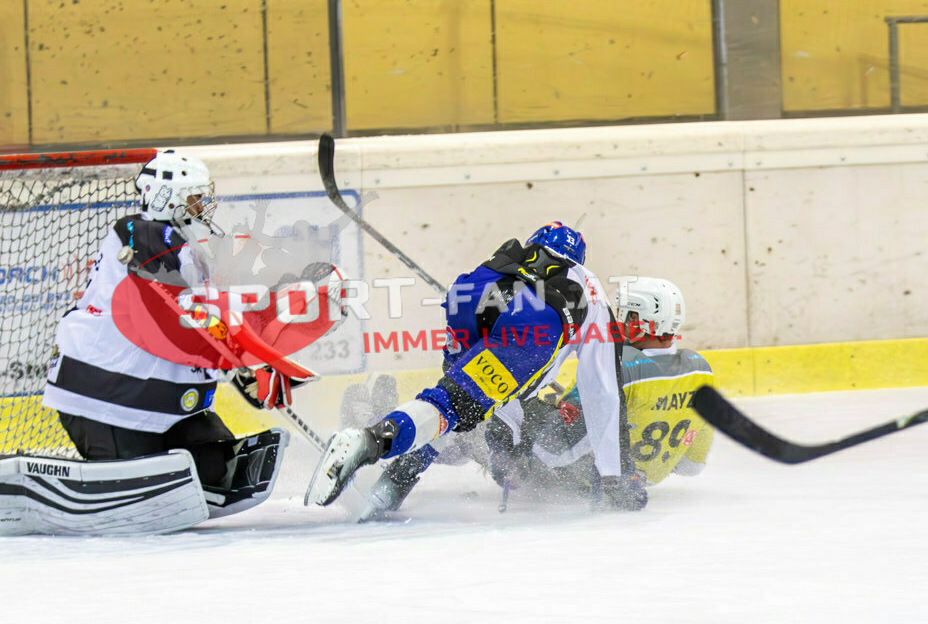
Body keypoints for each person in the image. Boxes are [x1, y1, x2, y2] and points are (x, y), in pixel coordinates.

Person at [305, 222, 646, 512]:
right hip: (536, 318)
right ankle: (372, 439)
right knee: (457, 404)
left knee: (452, 400)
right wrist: (615, 474)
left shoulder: (511, 257)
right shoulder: (589, 287)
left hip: (471, 291)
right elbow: (603, 389)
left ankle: (392, 480)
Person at [42, 150, 294, 521]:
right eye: (195, 197)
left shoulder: (190, 251)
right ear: (168, 198)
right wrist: (240, 360)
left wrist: (250, 365)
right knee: (140, 489)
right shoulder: (141, 233)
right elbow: (176, 315)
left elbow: (209, 321)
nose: (204, 205)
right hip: (108, 398)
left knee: (214, 474)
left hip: (158, 401)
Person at [481, 276, 715, 500]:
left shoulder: (617, 366)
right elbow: (691, 466)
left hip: (585, 481)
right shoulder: (699, 369)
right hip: (641, 480)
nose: (616, 322)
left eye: (622, 315)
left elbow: (552, 450)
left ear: (636, 320)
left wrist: (531, 412)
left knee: (487, 415)